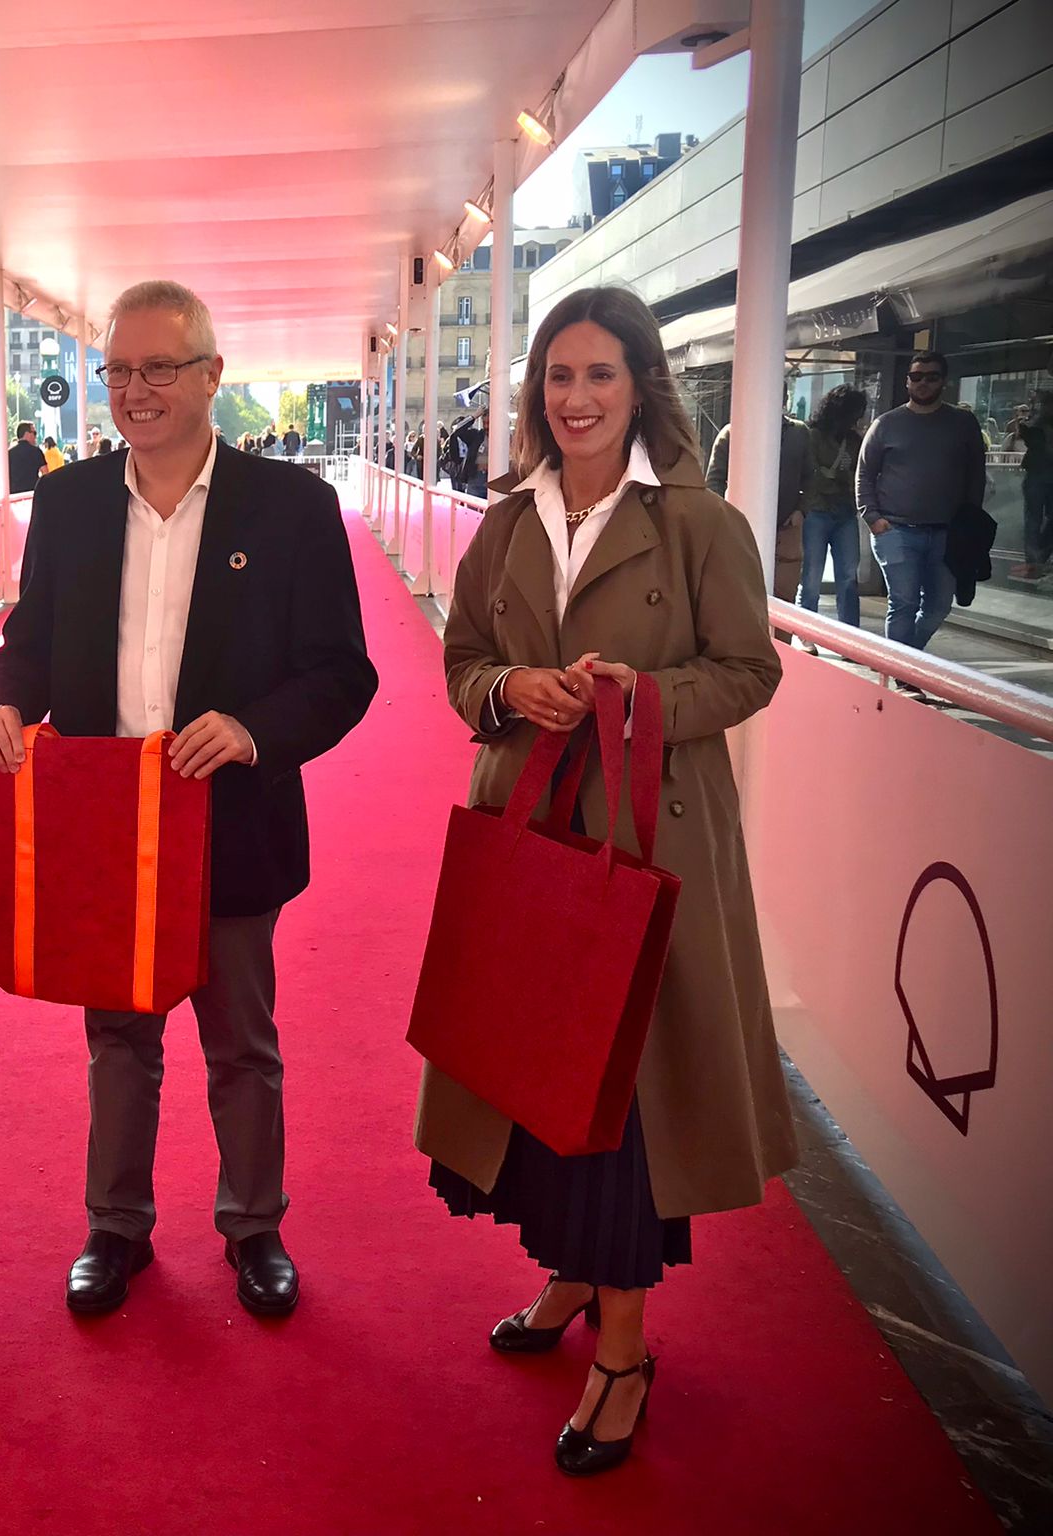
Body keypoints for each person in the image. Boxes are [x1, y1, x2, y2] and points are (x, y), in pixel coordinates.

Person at [420, 284, 795, 1477]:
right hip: (532, 841)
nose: (573, 399)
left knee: (623, 1100)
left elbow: (746, 672)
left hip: (651, 848)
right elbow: (461, 657)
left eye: (598, 376)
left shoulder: (693, 522)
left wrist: (634, 699)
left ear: (640, 387)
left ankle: (622, 1353)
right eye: (556, 378)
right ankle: (571, 1275)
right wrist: (508, 692)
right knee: (538, 1073)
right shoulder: (508, 520)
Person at [0, 279, 377, 1319]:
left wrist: (251, 731)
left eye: (157, 367)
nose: (133, 390)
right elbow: (26, 646)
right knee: (118, 1038)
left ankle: (254, 1227)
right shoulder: (65, 504)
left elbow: (340, 673)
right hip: (104, 823)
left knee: (240, 1039)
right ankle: (114, 1228)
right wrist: (3, 705)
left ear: (211, 376)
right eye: (115, 370)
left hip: (229, 821)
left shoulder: (290, 508)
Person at [856, 351, 986, 653]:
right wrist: (873, 518)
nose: (923, 382)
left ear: (944, 381)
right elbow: (864, 474)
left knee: (939, 605)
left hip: (949, 532)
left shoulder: (962, 423)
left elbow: (975, 475)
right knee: (904, 602)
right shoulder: (886, 424)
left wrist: (970, 523)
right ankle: (903, 677)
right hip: (896, 529)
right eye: (916, 376)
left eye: (931, 376)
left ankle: (905, 663)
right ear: (907, 381)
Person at [704, 409, 811, 603]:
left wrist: (801, 510)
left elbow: (811, 478)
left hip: (786, 530)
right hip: (740, 529)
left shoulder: (799, 433)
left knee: (784, 597)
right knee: (738, 597)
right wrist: (724, 518)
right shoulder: (730, 434)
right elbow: (714, 481)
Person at [796, 385, 869, 633]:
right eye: (852, 413)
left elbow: (858, 478)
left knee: (849, 576)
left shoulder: (854, 441)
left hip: (845, 511)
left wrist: (836, 477)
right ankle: (806, 632)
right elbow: (812, 476)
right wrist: (839, 478)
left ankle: (851, 635)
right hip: (817, 510)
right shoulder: (812, 435)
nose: (854, 420)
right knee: (811, 577)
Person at [1005, 392, 1050, 581]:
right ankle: (1035, 559)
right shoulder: (1036, 423)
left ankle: (1036, 558)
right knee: (1033, 518)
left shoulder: (1036, 423)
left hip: (1038, 473)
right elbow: (1029, 437)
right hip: (1038, 473)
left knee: (1033, 518)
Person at [8, 421, 44, 493]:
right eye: (34, 433)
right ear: (27, 434)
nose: (35, 437)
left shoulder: (9, 453)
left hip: (14, 495)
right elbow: (45, 473)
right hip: (32, 493)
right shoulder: (36, 451)